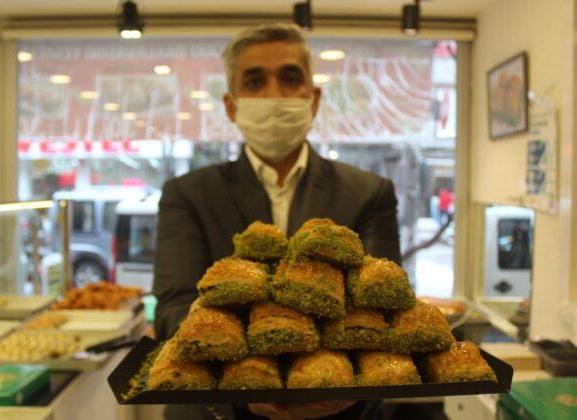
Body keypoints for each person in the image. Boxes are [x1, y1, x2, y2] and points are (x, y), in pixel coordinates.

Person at [153, 22, 401, 420]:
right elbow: (173, 307)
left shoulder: (370, 192)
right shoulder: (188, 194)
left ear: (314, 99)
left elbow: (381, 306)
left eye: (290, 78)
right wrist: (241, 384)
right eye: (254, 82)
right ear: (231, 106)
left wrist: (345, 389)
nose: (274, 95)